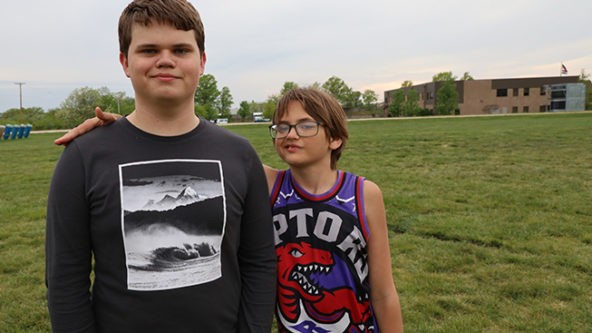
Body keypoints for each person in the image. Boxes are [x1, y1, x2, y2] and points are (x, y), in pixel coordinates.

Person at [57, 87, 404, 332]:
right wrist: (118, 132)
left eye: (306, 125)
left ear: (336, 137)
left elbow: (384, 292)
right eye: (281, 127)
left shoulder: (363, 194)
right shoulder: (267, 183)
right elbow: (200, 155)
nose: (290, 134)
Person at [46, 1, 276, 332]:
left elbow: (259, 263)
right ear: (125, 62)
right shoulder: (83, 157)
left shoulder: (239, 154)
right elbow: (65, 280)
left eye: (181, 49)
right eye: (149, 49)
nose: (165, 60)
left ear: (202, 61)